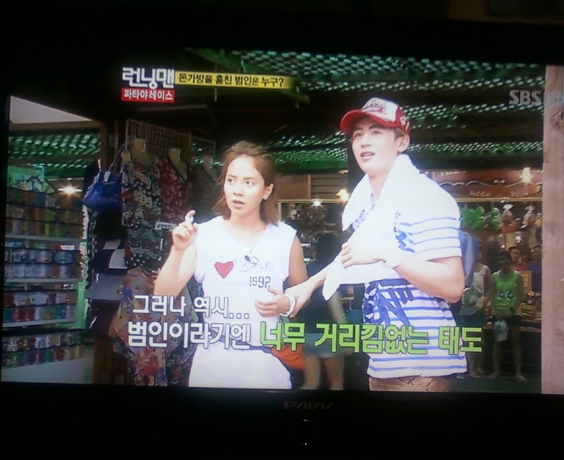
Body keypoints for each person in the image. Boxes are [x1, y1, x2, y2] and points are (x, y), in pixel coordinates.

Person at [263, 97, 466, 392]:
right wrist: (307, 286)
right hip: (385, 362)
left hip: (421, 368)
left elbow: (453, 285)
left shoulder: (425, 197)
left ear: (402, 141)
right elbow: (354, 256)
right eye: (358, 134)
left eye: (376, 132)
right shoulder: (369, 205)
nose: (364, 141)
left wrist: (386, 253)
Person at [154, 141, 307, 389]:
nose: (238, 190)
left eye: (249, 183)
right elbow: (162, 296)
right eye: (231, 180)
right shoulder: (203, 235)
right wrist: (178, 250)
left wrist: (287, 303)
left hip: (267, 364)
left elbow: (302, 296)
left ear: (266, 190)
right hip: (211, 364)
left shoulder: (286, 238)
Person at [296, 233, 348, 390]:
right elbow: (335, 306)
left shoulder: (306, 269)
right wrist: (347, 338)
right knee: (336, 383)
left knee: (311, 383)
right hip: (327, 334)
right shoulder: (333, 272)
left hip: (306, 333)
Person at [486, 250, 526, 381]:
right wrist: (496, 310)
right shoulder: (494, 276)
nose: (503, 262)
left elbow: (520, 295)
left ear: (509, 261)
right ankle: (496, 371)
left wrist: (511, 310)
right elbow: (492, 294)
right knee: (498, 342)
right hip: (498, 314)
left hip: (513, 313)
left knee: (515, 343)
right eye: (500, 260)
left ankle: (518, 373)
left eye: (505, 259)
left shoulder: (518, 276)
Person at [458, 247, 491, 378]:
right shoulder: (461, 268)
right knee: (464, 338)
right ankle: (466, 368)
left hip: (477, 308)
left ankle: (477, 366)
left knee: (478, 338)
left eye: (478, 251)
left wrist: (484, 301)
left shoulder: (484, 269)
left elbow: (489, 289)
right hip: (461, 308)